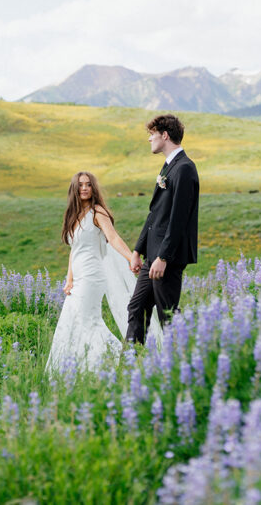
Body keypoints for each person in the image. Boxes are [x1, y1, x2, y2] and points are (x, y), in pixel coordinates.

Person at [46, 171, 160, 373]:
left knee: (89, 321)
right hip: (79, 278)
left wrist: (131, 257)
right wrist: (69, 279)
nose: (84, 188)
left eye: (88, 185)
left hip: (92, 277)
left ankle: (118, 361)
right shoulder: (74, 216)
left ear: (93, 188)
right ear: (74, 188)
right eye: (80, 185)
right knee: (72, 322)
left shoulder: (97, 212)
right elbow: (74, 250)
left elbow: (113, 239)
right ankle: (80, 368)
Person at [126, 114, 199, 345]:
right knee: (136, 308)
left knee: (167, 316)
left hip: (167, 258)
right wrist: (138, 250)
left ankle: (179, 367)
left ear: (165, 135)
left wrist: (163, 257)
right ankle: (130, 366)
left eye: (152, 134)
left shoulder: (185, 168)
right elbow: (155, 214)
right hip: (153, 255)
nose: (149, 139)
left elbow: (178, 219)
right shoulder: (169, 167)